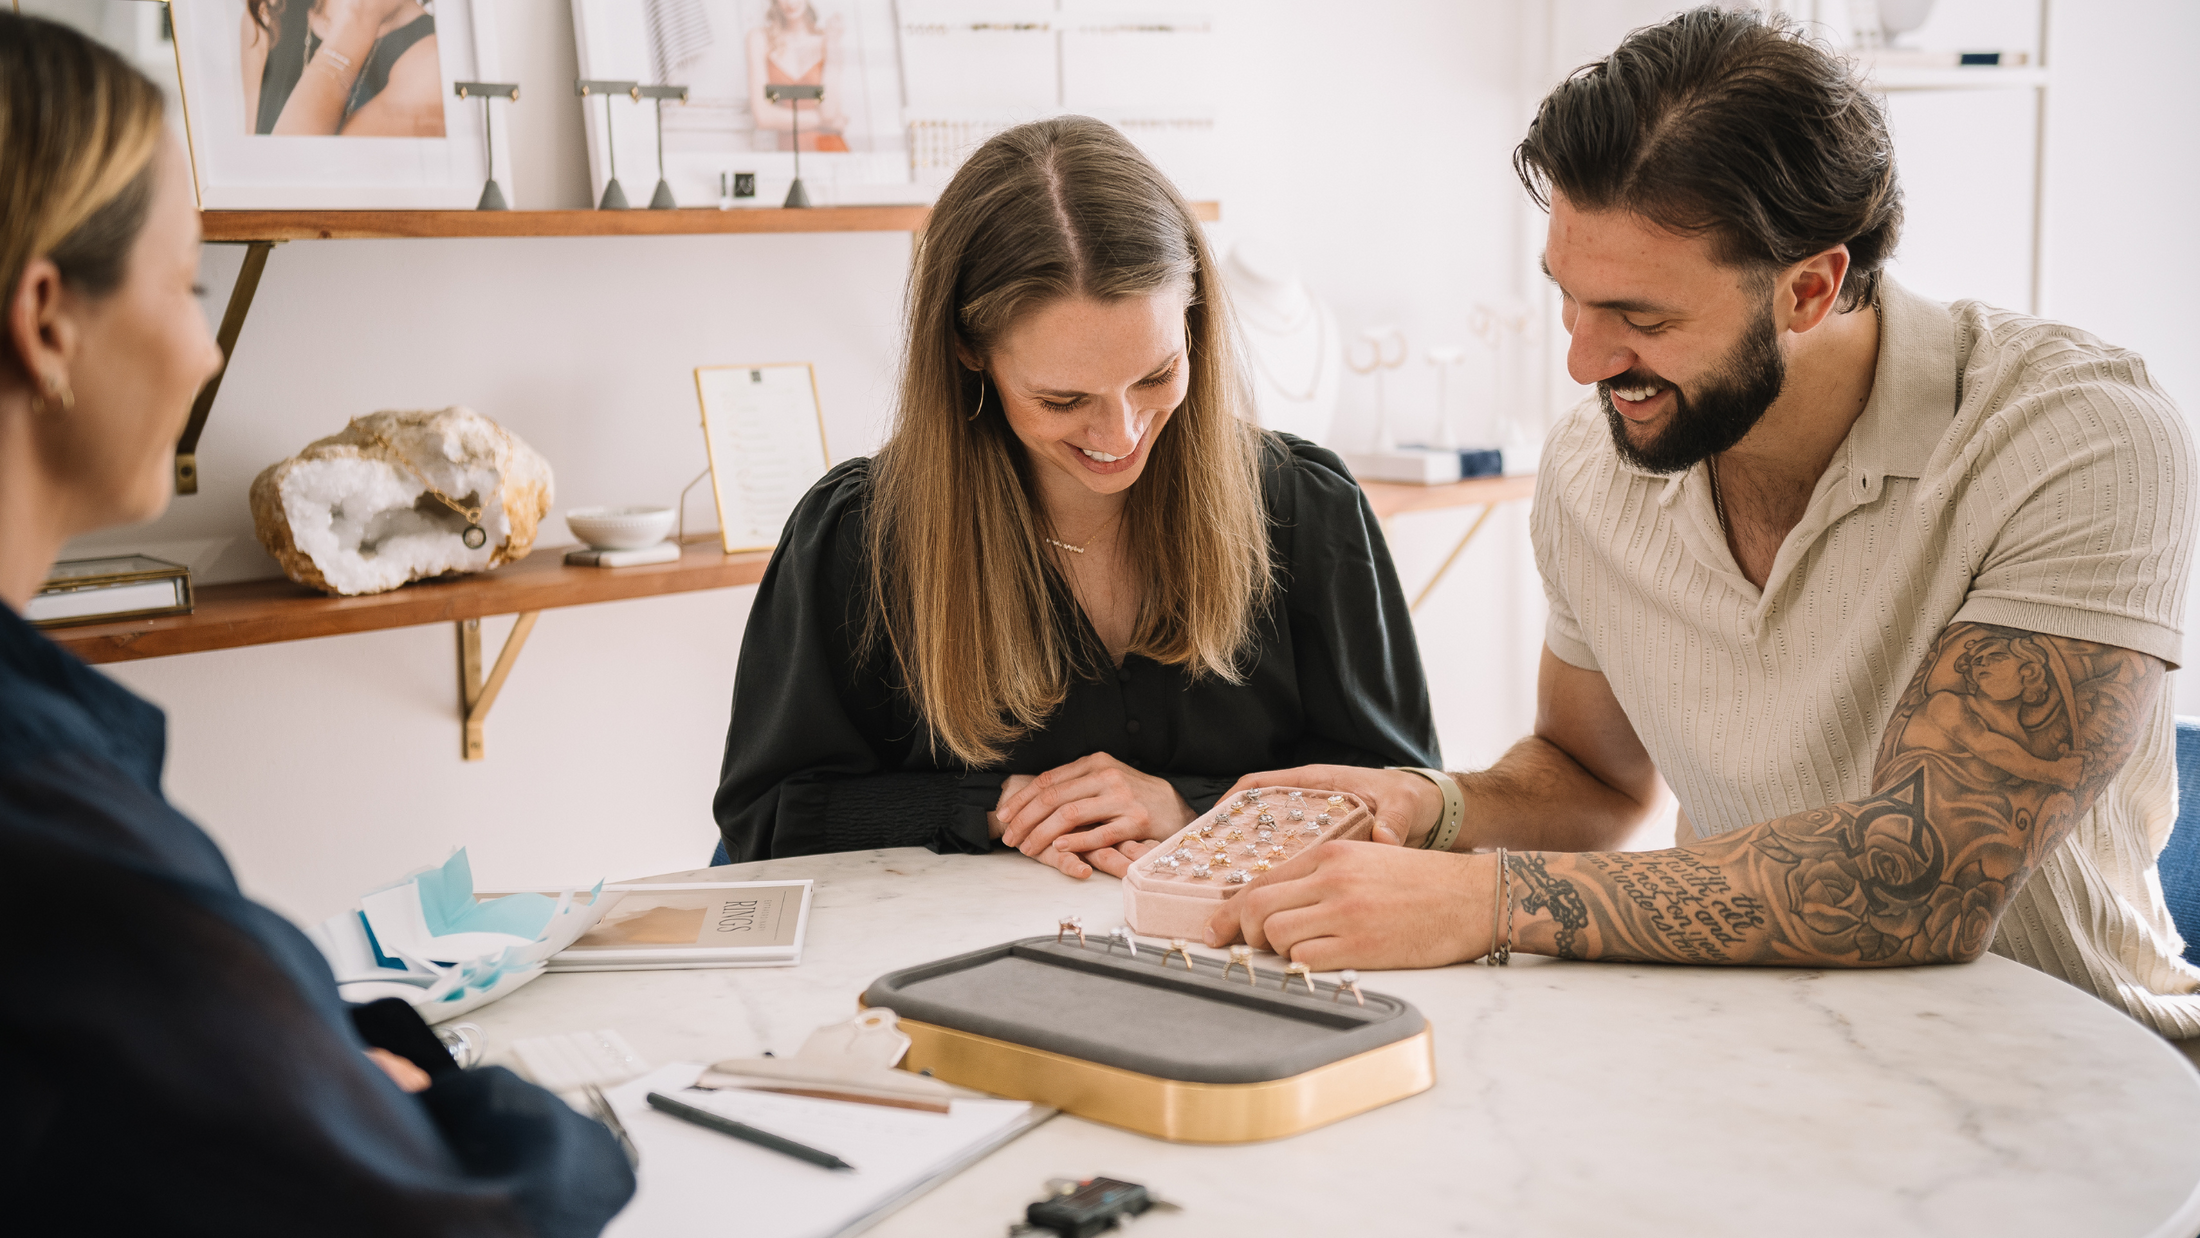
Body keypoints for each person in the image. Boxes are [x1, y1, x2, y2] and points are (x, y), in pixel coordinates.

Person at [1210, 6, 2200, 1039]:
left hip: (2078, 1073)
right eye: (1570, 297)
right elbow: (1591, 778)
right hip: (1747, 1049)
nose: (1583, 362)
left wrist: (1488, 898)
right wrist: (1432, 806)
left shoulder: (2075, 440)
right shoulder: (1595, 466)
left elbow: (1922, 881)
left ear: (1809, 287)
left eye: (1642, 318)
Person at [0, 15, 633, 1232]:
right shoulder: (44, 813)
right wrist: (492, 1112)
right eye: (185, 286)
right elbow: (483, 1214)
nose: (205, 353)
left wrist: (322, 1068)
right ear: (46, 321)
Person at [713, 116, 1438, 878]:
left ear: (1193, 321)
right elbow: (771, 818)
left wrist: (1194, 807)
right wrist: (1002, 806)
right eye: (1063, 399)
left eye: (1157, 375)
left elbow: (1406, 802)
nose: (1121, 433)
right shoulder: (860, 537)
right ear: (968, 351)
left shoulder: (1305, 509)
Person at [242, 0, 446, 137]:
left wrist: (357, 17)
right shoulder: (269, 18)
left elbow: (294, 171)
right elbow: (253, 173)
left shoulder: (435, 66)